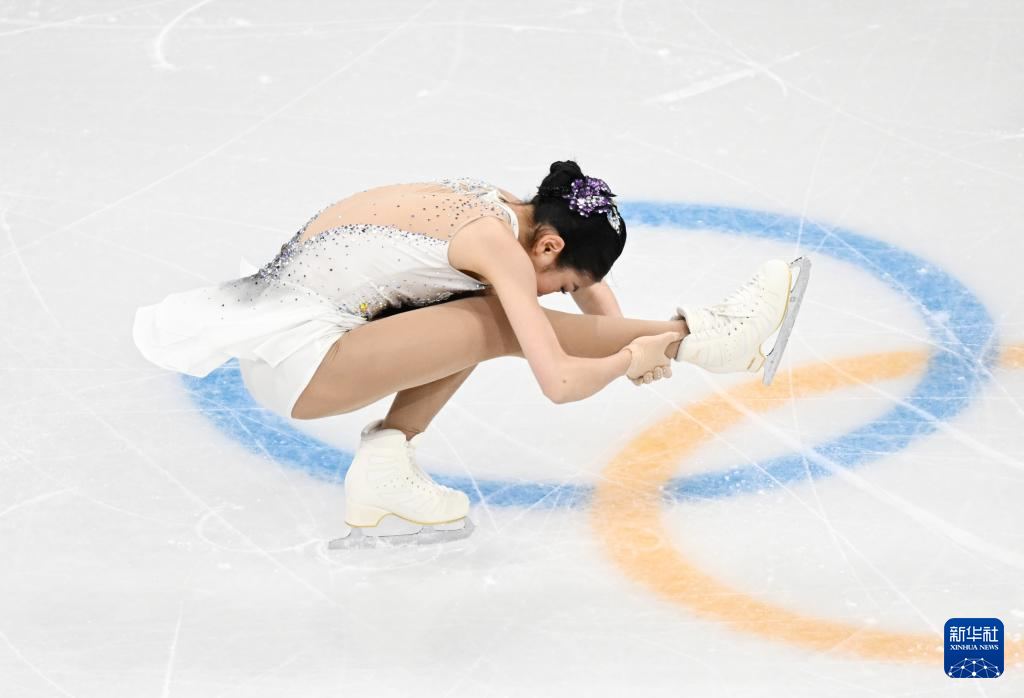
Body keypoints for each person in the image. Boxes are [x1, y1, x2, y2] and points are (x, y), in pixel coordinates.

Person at [132, 160, 806, 546]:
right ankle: (714, 339)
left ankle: (384, 468)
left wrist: (637, 342)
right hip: (303, 366)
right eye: (562, 284)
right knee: (496, 319)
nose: (560, 294)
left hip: (297, 350)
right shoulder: (497, 253)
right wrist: (647, 353)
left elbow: (591, 298)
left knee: (481, 309)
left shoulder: (500, 212)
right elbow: (559, 382)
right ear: (548, 246)